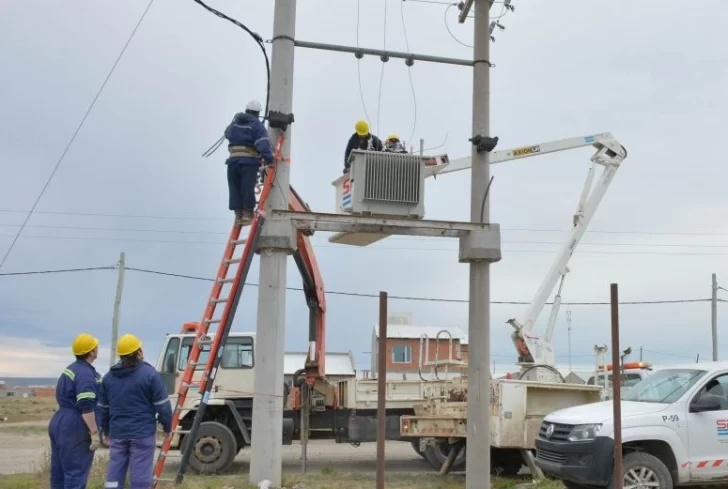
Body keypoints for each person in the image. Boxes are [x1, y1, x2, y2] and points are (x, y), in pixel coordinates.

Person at [99, 334, 173, 489]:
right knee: (140, 475)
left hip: (118, 433)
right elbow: (163, 407)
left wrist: (106, 431)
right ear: (139, 351)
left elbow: (103, 409)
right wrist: (167, 428)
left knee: (114, 472)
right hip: (142, 434)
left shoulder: (108, 378)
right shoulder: (150, 375)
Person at [49, 333, 102, 489]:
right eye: (95, 346)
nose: (97, 348)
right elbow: (86, 404)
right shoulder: (86, 373)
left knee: (59, 473)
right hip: (76, 424)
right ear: (91, 351)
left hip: (60, 419)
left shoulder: (70, 369)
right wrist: (93, 431)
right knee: (75, 472)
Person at [224, 99, 276, 225]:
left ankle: (238, 215)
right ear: (258, 113)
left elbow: (227, 134)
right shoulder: (256, 125)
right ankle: (247, 214)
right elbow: (262, 144)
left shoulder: (235, 122)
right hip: (248, 162)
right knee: (247, 187)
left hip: (232, 161)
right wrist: (270, 160)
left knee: (234, 187)